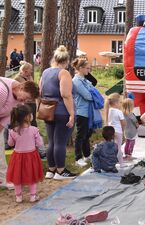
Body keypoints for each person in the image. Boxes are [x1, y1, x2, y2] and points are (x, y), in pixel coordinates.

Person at [41, 45, 76, 180]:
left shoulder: (45, 72)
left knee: (51, 142)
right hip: (62, 111)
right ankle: (61, 171)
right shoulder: (64, 73)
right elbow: (65, 94)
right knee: (60, 142)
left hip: (48, 110)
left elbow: (40, 91)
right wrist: (72, 114)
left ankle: (51, 169)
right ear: (66, 61)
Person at [0, 77, 39, 189]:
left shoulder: (18, 100)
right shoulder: (2, 90)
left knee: (0, 150)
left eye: (28, 100)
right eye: (26, 97)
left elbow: (8, 116)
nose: (24, 101)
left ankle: (3, 179)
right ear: (21, 87)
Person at [6, 104, 44, 203]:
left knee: (17, 177)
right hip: (31, 156)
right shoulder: (34, 130)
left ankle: (18, 197)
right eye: (30, 113)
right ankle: (33, 196)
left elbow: (10, 143)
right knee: (32, 175)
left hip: (17, 156)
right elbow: (40, 144)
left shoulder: (12, 131)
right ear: (27, 116)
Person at [14, 61, 47, 158]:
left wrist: (37, 104)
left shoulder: (29, 77)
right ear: (24, 71)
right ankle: (39, 150)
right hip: (24, 105)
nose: (31, 72)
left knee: (33, 125)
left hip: (31, 104)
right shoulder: (17, 79)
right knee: (28, 126)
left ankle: (38, 149)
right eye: (29, 70)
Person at [72, 57, 94, 167]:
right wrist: (94, 94)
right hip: (81, 111)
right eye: (87, 68)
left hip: (88, 111)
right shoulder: (76, 81)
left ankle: (87, 154)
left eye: (89, 68)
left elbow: (93, 91)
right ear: (80, 68)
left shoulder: (85, 80)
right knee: (81, 135)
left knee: (87, 134)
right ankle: (78, 158)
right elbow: (88, 95)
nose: (88, 70)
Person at [104, 93, 125, 165]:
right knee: (118, 148)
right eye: (120, 102)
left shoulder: (107, 110)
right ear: (116, 103)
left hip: (110, 131)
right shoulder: (119, 112)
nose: (120, 104)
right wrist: (123, 130)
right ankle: (121, 163)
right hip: (118, 131)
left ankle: (109, 162)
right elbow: (123, 123)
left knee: (110, 148)